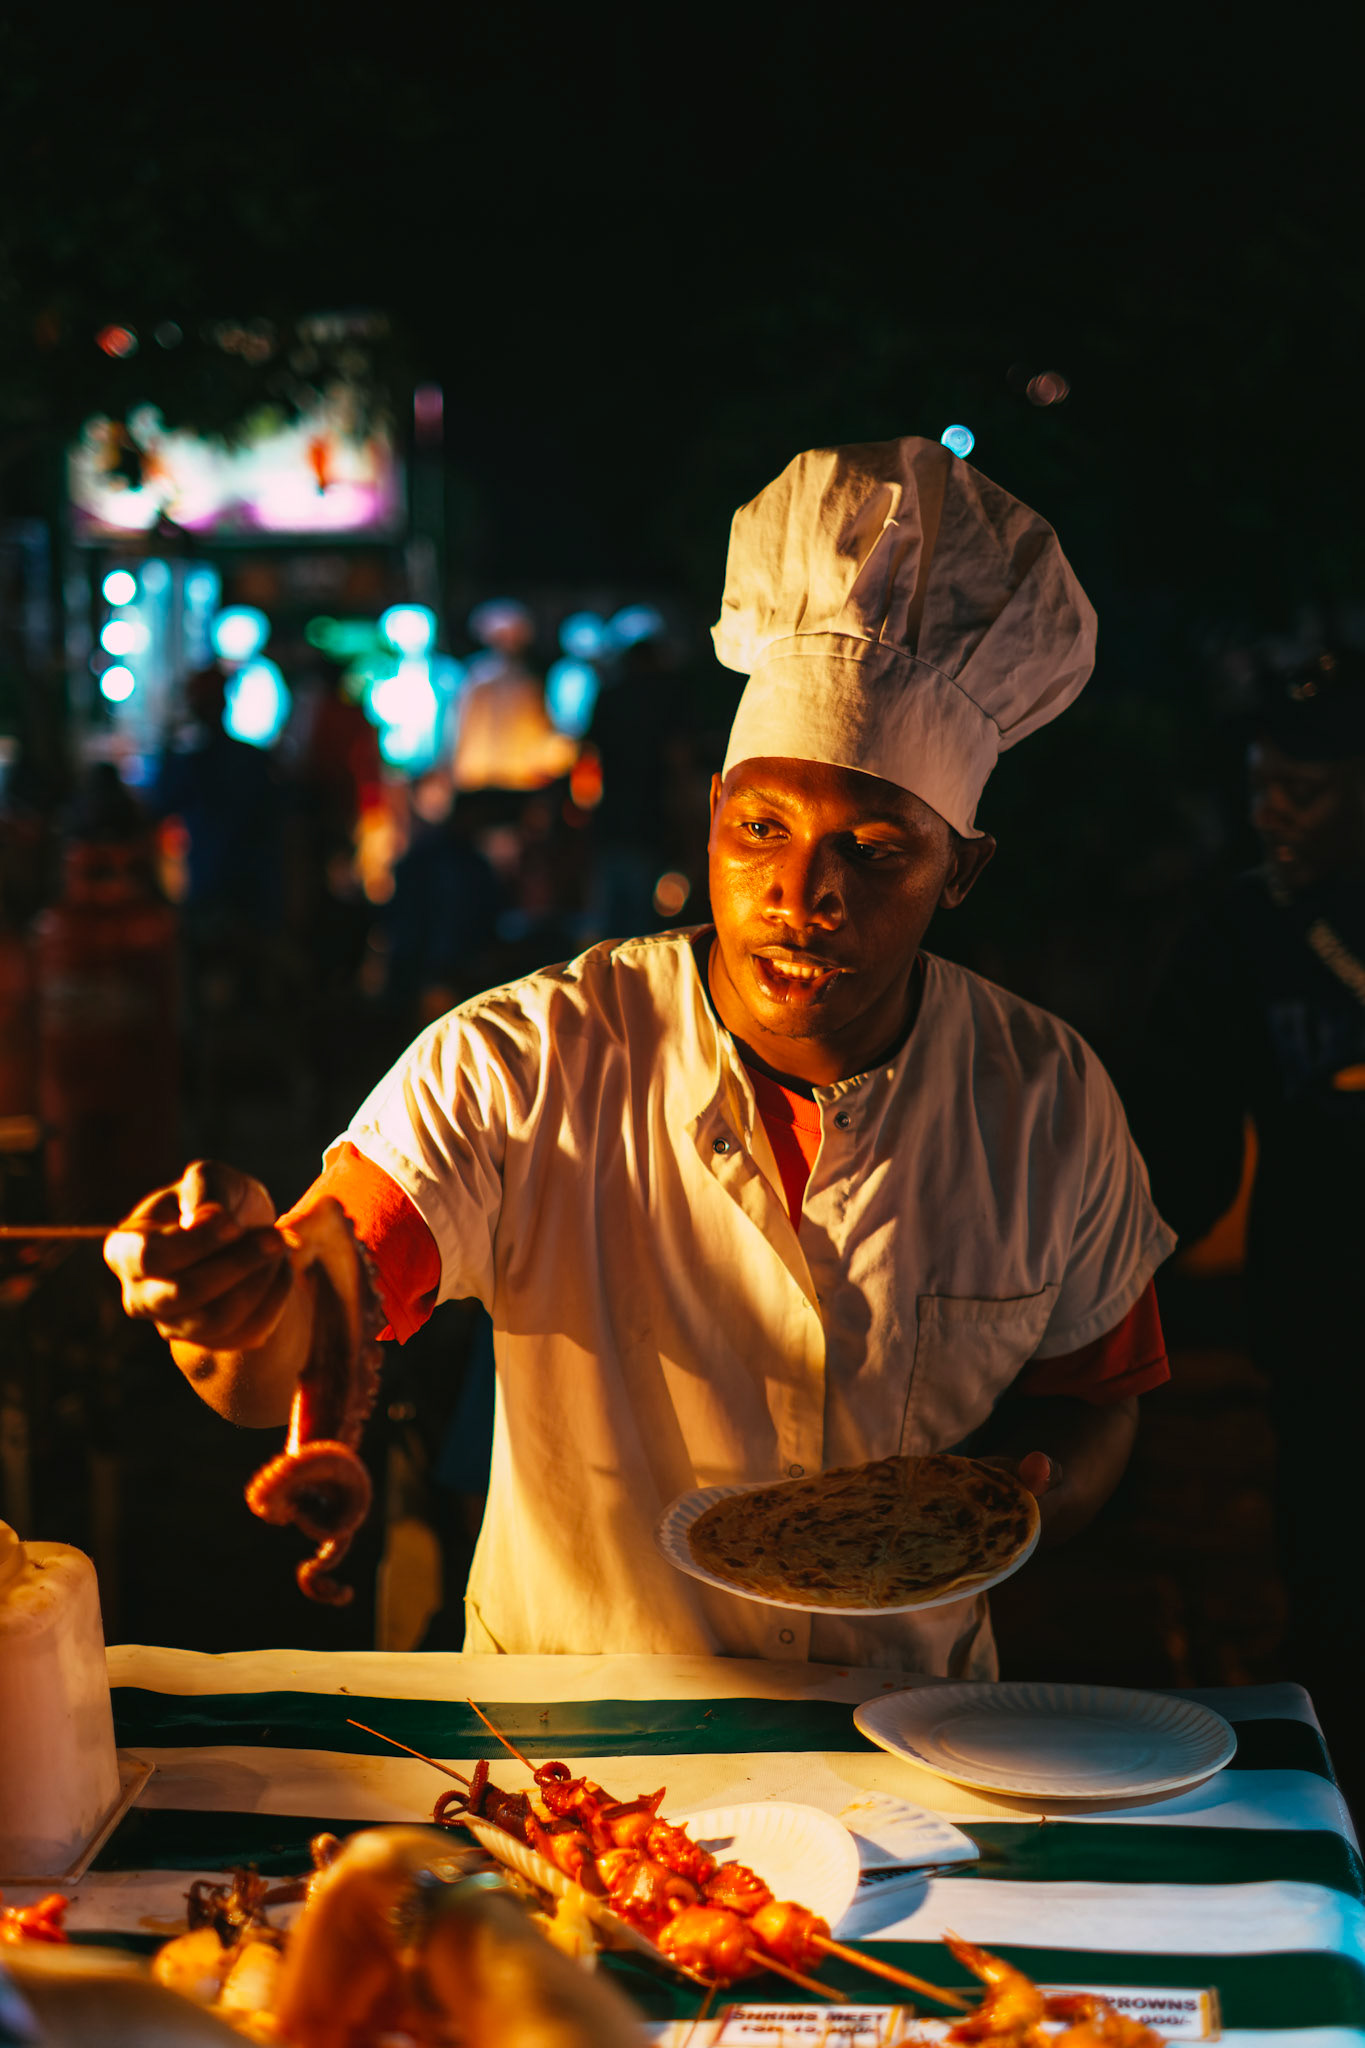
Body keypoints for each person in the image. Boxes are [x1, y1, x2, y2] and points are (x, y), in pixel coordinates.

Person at [106, 437, 1174, 1673]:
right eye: (761, 829)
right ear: (713, 808)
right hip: (584, 1758)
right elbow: (303, 1323)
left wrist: (1015, 1500)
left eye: (876, 850)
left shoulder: (1045, 1102)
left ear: (963, 869)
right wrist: (229, 1302)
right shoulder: (524, 1064)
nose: (802, 894)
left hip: (909, 1737)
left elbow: (1100, 1394)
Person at [1125, 648, 1365, 1774]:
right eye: (1261, 785)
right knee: (1327, 1559)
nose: (1274, 811)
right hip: (1319, 1300)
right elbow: (1182, 1119)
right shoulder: (1246, 929)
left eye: (1303, 790)